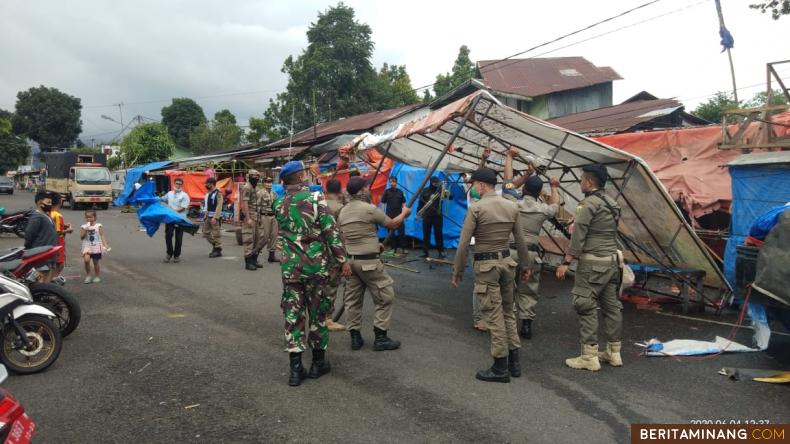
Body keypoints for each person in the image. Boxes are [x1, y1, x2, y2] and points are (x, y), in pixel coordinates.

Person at [274, 161, 350, 387]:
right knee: (318, 313)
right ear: (299, 177)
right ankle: (318, 364)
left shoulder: (278, 202)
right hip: (316, 267)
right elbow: (330, 232)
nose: (307, 177)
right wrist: (343, 260)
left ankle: (295, 370)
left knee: (293, 316)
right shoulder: (316, 199)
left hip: (291, 269)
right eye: (305, 174)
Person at [452, 167, 530, 383]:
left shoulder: (476, 208)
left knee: (493, 316)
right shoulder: (511, 206)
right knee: (508, 313)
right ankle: (515, 363)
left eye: (474, 184)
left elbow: (463, 245)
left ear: (481, 185)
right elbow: (521, 241)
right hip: (507, 263)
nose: (473, 188)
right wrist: (525, 266)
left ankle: (500, 367)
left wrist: (457, 271)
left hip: (486, 266)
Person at [556, 164, 623, 371]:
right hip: (612, 262)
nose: (580, 182)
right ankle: (614, 352)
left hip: (593, 263)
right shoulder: (612, 203)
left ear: (590, 182)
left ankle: (589, 356)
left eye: (582, 179)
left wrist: (566, 261)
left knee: (584, 304)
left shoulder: (587, 204)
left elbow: (579, 236)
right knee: (612, 307)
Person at [337, 176, 410, 352]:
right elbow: (392, 224)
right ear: (362, 190)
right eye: (367, 186)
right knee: (385, 297)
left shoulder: (343, 211)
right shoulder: (370, 209)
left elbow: (345, 237)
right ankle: (381, 337)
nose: (369, 188)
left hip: (351, 261)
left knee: (353, 300)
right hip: (368, 262)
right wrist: (404, 213)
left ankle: (355, 337)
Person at [324, 179, 347, 332]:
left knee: (319, 285)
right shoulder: (341, 208)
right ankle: (327, 319)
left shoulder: (317, 204)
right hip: (334, 252)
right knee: (331, 286)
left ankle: (317, 316)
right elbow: (342, 234)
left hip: (317, 251)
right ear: (339, 192)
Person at [161, 178, 191, 263]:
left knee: (178, 238)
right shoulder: (169, 193)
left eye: (180, 184)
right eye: (177, 183)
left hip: (179, 219)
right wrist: (153, 198)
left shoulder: (185, 195)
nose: (178, 185)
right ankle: (169, 254)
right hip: (170, 219)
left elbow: (183, 208)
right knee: (168, 236)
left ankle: (177, 255)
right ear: (174, 184)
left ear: (182, 185)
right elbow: (162, 199)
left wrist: (173, 211)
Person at [418, 176, 447, 258]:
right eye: (434, 182)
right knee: (426, 234)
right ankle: (425, 252)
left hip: (438, 216)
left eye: (437, 182)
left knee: (439, 234)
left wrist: (446, 193)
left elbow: (450, 197)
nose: (436, 184)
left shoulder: (441, 190)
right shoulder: (425, 190)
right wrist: (418, 212)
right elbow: (420, 202)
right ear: (431, 182)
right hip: (427, 216)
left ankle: (441, 251)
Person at [240, 170, 262, 270]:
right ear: (249, 176)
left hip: (256, 215)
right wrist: (248, 218)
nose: (256, 177)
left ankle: (253, 260)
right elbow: (244, 203)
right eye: (253, 175)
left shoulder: (255, 187)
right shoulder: (247, 187)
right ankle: (248, 262)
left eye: (257, 175)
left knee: (257, 239)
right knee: (249, 239)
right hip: (250, 216)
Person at [80, 210, 109, 284]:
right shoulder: (83, 227)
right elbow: (81, 237)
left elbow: (102, 235)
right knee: (86, 260)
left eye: (91, 217)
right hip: (87, 246)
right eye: (87, 217)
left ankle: (97, 276)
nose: (89, 219)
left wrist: (105, 244)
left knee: (96, 262)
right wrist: (86, 229)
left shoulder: (98, 226)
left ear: (95, 217)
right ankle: (88, 276)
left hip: (96, 247)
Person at [380, 176, 407, 254]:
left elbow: (403, 203)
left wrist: (404, 213)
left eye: (394, 182)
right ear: (389, 182)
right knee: (391, 233)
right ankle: (393, 248)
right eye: (391, 182)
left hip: (399, 216)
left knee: (401, 232)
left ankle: (403, 248)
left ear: (396, 182)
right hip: (389, 216)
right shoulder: (387, 192)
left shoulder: (400, 192)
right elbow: (383, 203)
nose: (392, 183)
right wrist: (382, 214)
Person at [49, 193, 72, 281]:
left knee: (53, 263)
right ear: (60, 202)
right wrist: (69, 230)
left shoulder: (48, 213)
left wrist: (64, 225)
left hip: (50, 241)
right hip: (58, 241)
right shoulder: (58, 215)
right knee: (60, 264)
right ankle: (51, 281)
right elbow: (58, 232)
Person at [258, 177, 279, 264]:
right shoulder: (260, 193)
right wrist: (258, 219)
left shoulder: (274, 193)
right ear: (263, 183)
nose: (269, 184)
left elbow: (277, 205)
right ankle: (255, 253)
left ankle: (271, 255)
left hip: (273, 216)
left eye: (270, 182)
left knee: (274, 236)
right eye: (267, 182)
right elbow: (257, 206)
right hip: (264, 216)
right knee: (264, 237)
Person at [203, 177, 224, 258]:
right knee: (206, 232)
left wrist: (215, 217)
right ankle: (216, 246)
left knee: (216, 234)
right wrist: (206, 214)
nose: (206, 185)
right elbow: (208, 205)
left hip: (215, 217)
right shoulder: (209, 193)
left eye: (207, 184)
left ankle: (217, 250)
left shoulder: (218, 193)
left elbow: (219, 206)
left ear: (211, 184)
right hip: (208, 216)